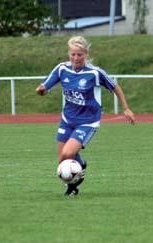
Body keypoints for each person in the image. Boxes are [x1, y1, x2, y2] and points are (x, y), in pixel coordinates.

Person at [36, 36, 135, 196]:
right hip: (67, 120)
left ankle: (80, 165)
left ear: (86, 55)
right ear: (69, 54)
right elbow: (45, 86)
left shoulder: (94, 73)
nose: (76, 58)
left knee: (68, 154)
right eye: (73, 54)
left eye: (79, 55)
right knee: (62, 160)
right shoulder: (62, 69)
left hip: (88, 122)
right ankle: (73, 187)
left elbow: (115, 86)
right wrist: (41, 90)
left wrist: (126, 108)